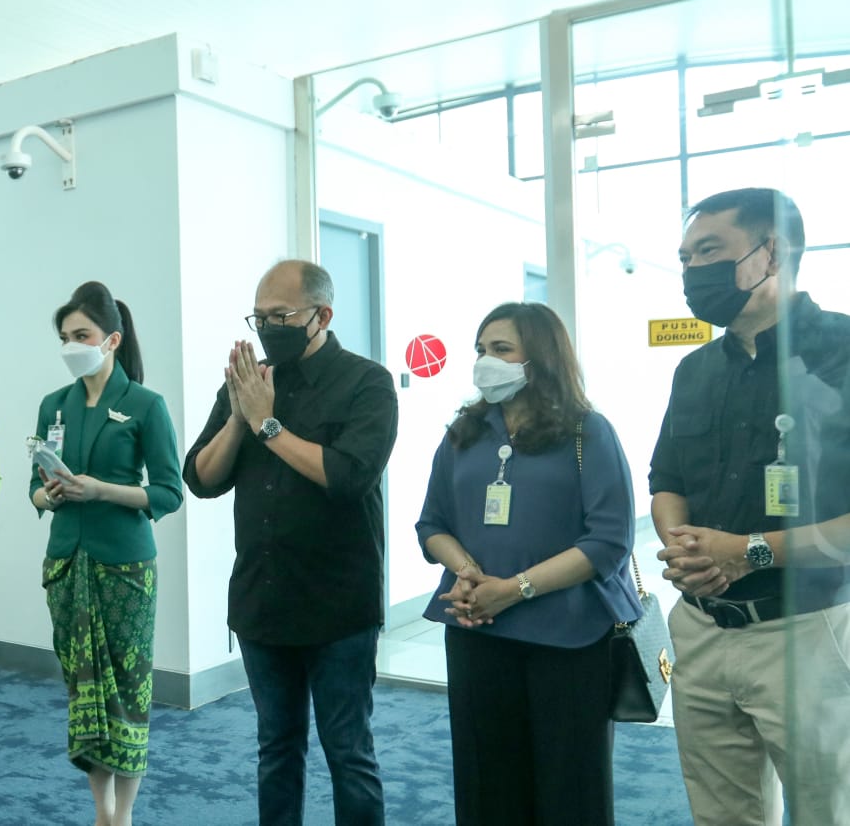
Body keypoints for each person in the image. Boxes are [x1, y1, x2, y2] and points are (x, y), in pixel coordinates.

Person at [652, 188, 850, 824]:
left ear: (773, 253)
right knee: (721, 814)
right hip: (702, 627)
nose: (692, 271)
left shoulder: (843, 352)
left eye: (709, 251)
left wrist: (748, 552)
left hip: (808, 630)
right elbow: (666, 481)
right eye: (685, 258)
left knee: (826, 810)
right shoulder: (694, 370)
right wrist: (685, 549)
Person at [183, 259, 398, 826]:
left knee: (348, 753)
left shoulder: (367, 383)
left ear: (322, 316)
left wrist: (268, 425)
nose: (267, 328)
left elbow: (349, 476)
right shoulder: (251, 383)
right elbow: (200, 478)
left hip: (338, 606)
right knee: (276, 749)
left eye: (281, 316)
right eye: (259, 317)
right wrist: (240, 416)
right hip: (263, 601)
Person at [416, 302, 641, 825]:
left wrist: (513, 589)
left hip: (569, 637)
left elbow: (609, 541)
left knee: (570, 789)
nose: (485, 361)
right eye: (480, 350)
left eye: (501, 349)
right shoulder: (464, 433)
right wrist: (467, 572)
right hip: (476, 629)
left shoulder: (588, 432)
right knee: (486, 786)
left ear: (540, 357)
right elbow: (432, 525)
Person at [29, 282, 182, 826]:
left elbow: (168, 492)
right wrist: (50, 494)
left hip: (125, 565)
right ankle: (102, 811)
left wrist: (101, 490)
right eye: (65, 337)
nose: (71, 346)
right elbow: (34, 489)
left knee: (129, 688)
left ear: (112, 340)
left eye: (82, 335)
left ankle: (125, 815)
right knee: (84, 689)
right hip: (67, 561)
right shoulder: (54, 405)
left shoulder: (144, 405)